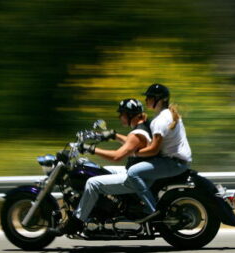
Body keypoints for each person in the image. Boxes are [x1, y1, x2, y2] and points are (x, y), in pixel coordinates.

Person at [51, 98, 152, 235]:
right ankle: (102, 208)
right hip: (136, 170)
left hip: (136, 177)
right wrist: (112, 135)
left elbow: (117, 156)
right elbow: (130, 143)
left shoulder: (137, 134)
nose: (119, 117)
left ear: (129, 114)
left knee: (93, 183)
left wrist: (91, 149)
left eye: (121, 113)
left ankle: (77, 221)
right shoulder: (142, 128)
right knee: (100, 170)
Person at [124, 83, 192, 219]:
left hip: (172, 163)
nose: (146, 100)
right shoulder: (171, 115)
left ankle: (152, 210)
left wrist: (135, 153)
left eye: (149, 97)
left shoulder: (159, 121)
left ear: (159, 100)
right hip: (178, 161)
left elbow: (154, 150)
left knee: (133, 173)